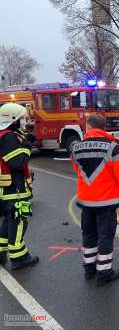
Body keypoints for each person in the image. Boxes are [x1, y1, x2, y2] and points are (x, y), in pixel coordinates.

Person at [70, 114, 119, 286]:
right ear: (104, 128)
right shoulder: (113, 148)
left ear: (89, 127)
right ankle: (104, 272)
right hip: (106, 203)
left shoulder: (76, 147)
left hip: (86, 202)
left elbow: (78, 170)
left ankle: (89, 269)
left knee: (88, 234)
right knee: (105, 236)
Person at [0, 103, 38, 270]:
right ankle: (19, 257)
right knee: (18, 221)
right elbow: (16, 162)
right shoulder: (8, 137)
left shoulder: (5, 134)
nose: (25, 120)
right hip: (15, 190)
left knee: (8, 222)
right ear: (13, 119)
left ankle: (1, 253)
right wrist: (27, 147)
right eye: (22, 118)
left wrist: (24, 140)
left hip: (7, 190)